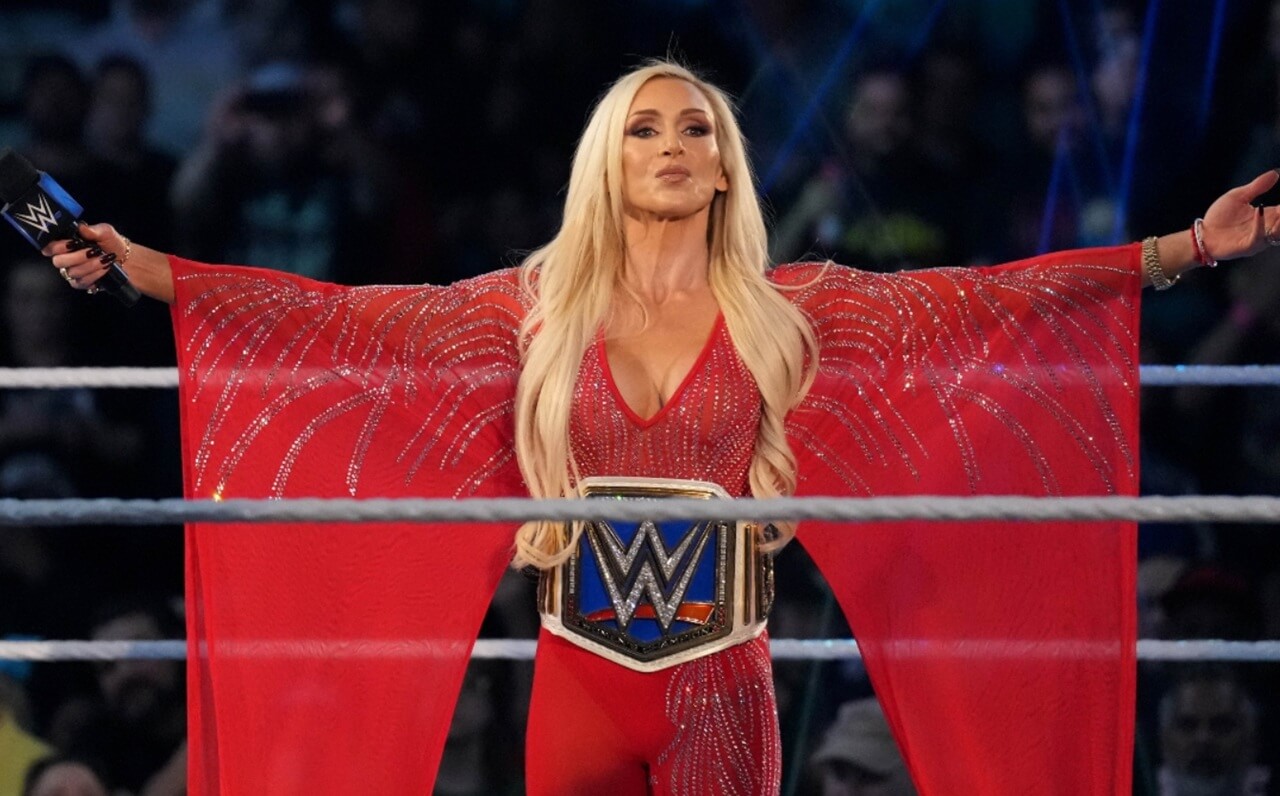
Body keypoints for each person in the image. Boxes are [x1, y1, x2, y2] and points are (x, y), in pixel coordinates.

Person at [41, 60, 1280, 795]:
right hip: (575, 684)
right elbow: (347, 324)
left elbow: (977, 299)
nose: (674, 143)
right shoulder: (521, 313)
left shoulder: (796, 310)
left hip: (722, 688)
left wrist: (1176, 250)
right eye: (644, 125)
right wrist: (148, 265)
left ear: (730, 165)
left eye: (697, 127)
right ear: (605, 162)